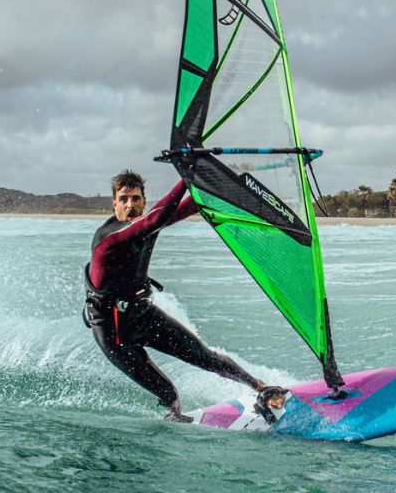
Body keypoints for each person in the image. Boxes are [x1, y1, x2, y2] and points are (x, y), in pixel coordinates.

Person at [85, 169, 285, 422]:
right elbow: (154, 220)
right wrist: (187, 178)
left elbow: (188, 207)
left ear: (144, 202)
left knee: (208, 358)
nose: (130, 205)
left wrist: (225, 184)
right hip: (114, 333)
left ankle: (260, 387)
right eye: (123, 199)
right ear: (114, 204)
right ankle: (174, 423)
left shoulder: (147, 224)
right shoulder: (108, 238)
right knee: (170, 394)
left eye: (136, 199)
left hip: (141, 314)